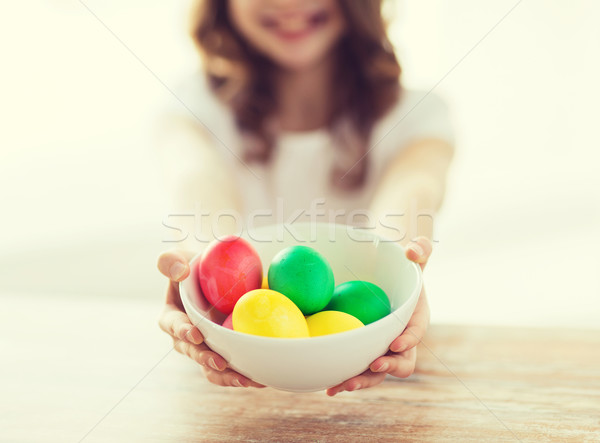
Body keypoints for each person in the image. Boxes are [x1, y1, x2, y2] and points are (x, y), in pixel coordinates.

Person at [157, 0, 454, 396]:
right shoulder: (191, 107)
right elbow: (198, 185)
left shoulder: (419, 114)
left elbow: (413, 189)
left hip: (394, 384)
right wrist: (199, 267)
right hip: (230, 391)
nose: (288, 4)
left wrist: (401, 265)